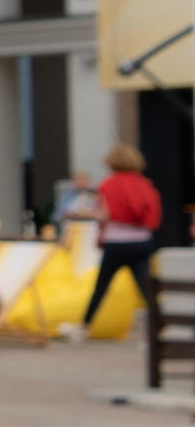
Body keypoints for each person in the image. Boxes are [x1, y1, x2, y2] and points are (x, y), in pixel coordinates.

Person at [85, 142, 163, 331]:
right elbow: (154, 215)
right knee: (145, 288)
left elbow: (105, 214)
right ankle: (163, 326)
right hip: (141, 241)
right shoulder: (145, 184)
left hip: (116, 242)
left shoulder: (108, 184)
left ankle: (84, 326)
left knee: (101, 286)